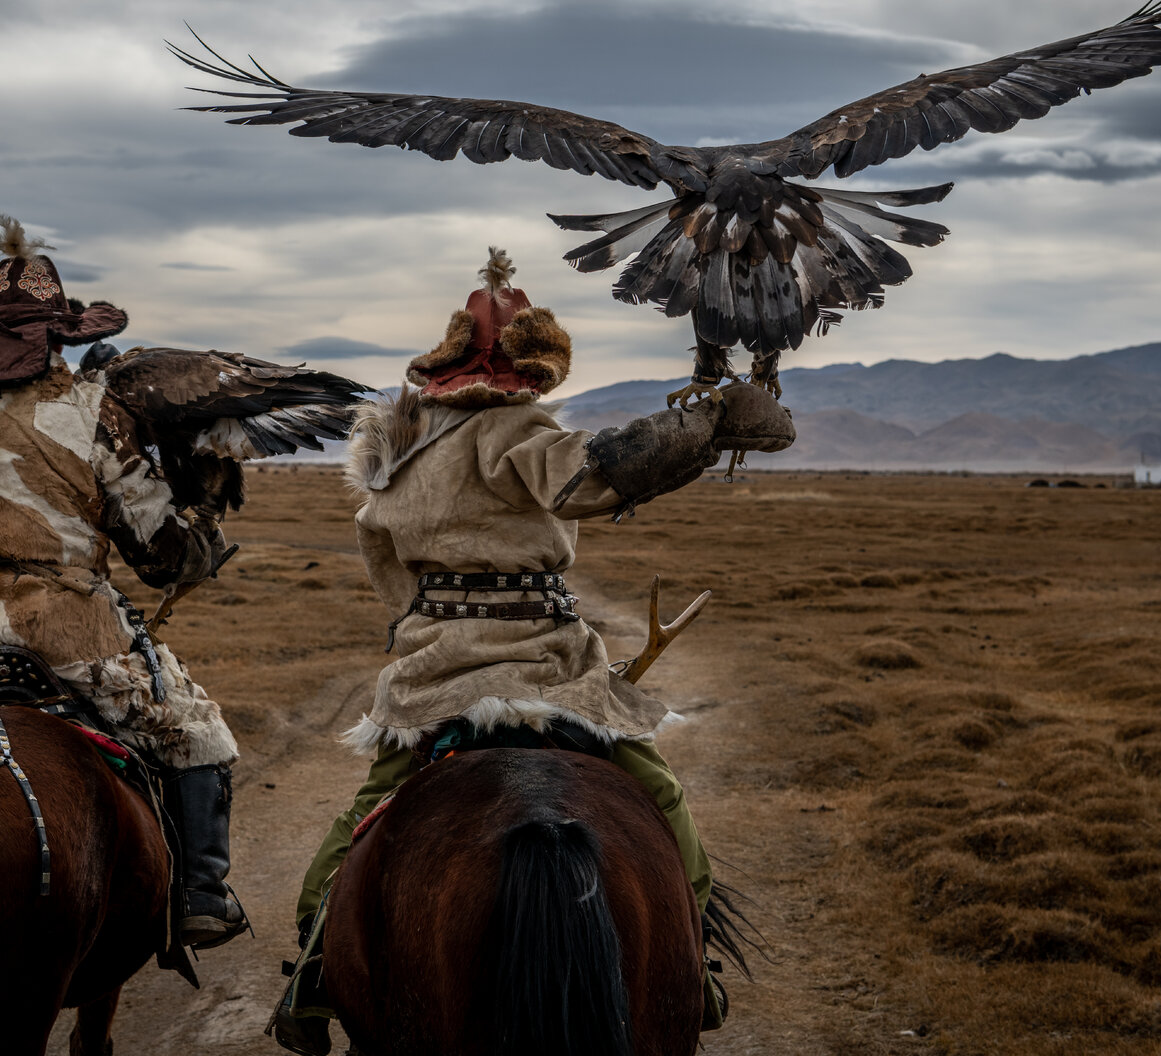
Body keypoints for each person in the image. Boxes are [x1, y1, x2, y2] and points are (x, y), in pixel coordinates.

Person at [270, 249, 792, 1052]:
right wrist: (704, 424)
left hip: (434, 674)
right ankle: (697, 971)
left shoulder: (394, 457)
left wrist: (430, 623)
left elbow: (382, 562)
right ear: (531, 369)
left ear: (447, 366)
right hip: (553, 670)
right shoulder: (523, 428)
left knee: (362, 819)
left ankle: (312, 973)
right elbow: (594, 479)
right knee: (661, 797)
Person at [0, 215, 246, 952]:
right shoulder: (94, 413)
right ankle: (201, 892)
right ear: (56, 338)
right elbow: (159, 553)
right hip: (69, 633)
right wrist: (202, 534)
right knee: (198, 732)